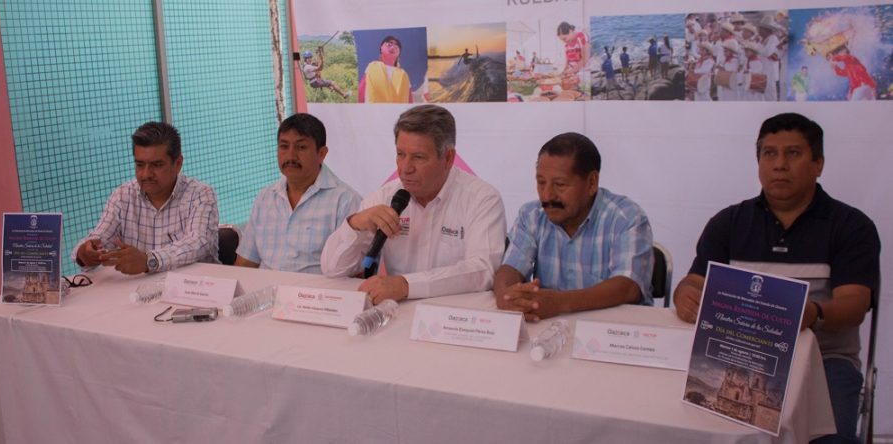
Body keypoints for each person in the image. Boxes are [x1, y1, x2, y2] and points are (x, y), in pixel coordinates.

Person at [673, 113, 880, 444]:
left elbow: (854, 305)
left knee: (831, 439)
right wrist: (684, 293)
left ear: (819, 164)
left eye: (793, 154)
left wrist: (810, 314)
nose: (779, 164)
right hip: (737, 357)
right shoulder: (728, 222)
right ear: (758, 162)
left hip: (823, 361)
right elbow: (695, 282)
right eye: (769, 154)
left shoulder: (851, 226)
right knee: (683, 425)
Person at [321, 105, 507, 304]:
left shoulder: (482, 199)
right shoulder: (385, 197)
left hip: (456, 321)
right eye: (401, 154)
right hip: (395, 317)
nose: (405, 168)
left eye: (418, 157)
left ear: (448, 158)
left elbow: (482, 270)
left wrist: (406, 285)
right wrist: (356, 224)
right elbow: (333, 269)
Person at [494, 132, 653, 322]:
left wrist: (560, 303)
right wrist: (506, 296)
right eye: (541, 182)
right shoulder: (532, 214)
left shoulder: (625, 217)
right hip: (550, 328)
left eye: (560, 185)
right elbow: (510, 268)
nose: (546, 196)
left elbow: (628, 287)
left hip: (615, 333)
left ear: (592, 183)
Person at [72, 122, 218, 275]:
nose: (146, 174)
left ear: (178, 163)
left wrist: (148, 260)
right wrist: (86, 253)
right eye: (140, 165)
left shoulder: (200, 195)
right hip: (137, 292)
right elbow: (99, 237)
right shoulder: (123, 196)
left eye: (157, 165)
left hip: (192, 290)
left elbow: (198, 244)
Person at [234, 114, 361, 273]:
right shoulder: (265, 198)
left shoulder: (346, 201)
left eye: (301, 147)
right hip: (265, 294)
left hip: (315, 295)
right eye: (284, 146)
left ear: (321, 154)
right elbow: (245, 263)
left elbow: (354, 274)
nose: (291, 156)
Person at [359, 35, 412, 103]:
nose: (393, 47)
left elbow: (410, 101)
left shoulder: (404, 75)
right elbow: (361, 93)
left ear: (399, 53)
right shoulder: (372, 67)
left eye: (396, 47)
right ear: (381, 48)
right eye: (389, 45)